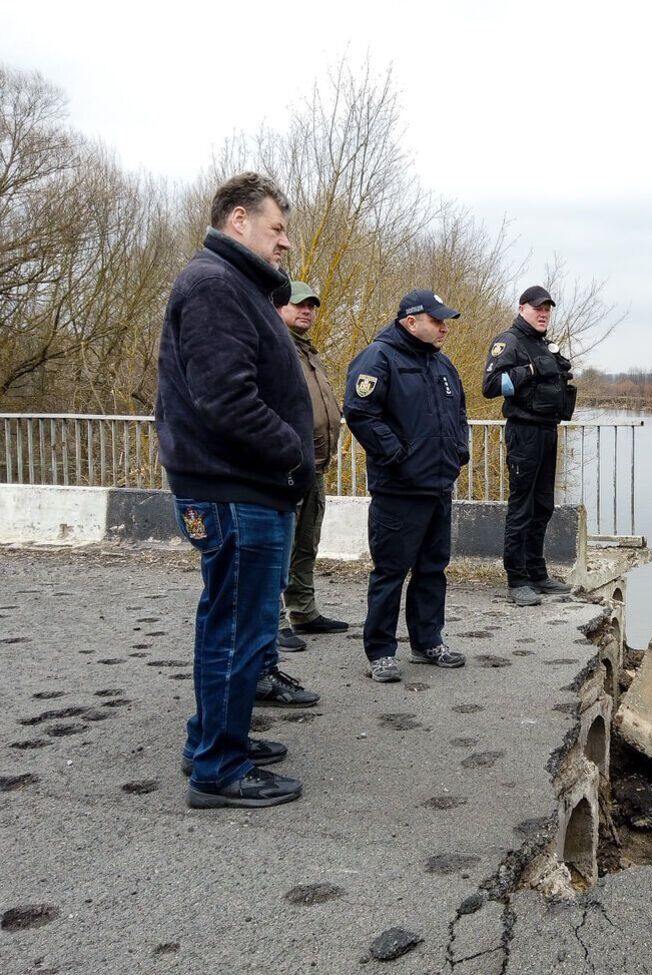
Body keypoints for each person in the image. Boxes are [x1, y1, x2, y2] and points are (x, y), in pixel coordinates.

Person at [156, 172, 314, 809]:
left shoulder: (231, 286)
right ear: (239, 220)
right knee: (238, 629)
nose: (284, 244)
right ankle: (220, 768)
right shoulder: (216, 285)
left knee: (228, 620)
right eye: (276, 229)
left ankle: (212, 740)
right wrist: (294, 456)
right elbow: (226, 400)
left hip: (240, 487)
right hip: (235, 490)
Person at [344, 289, 472, 683]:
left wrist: (459, 452)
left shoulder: (442, 364)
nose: (444, 328)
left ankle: (427, 641)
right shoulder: (379, 358)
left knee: (433, 568)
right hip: (399, 489)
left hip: (438, 485)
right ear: (411, 321)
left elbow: (459, 412)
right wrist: (397, 456)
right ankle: (381, 650)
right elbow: (360, 413)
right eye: (437, 321)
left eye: (445, 321)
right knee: (391, 571)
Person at [482, 285, 577, 606]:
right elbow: (491, 386)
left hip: (547, 430)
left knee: (543, 506)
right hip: (524, 432)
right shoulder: (509, 341)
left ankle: (537, 572)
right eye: (538, 308)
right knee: (522, 507)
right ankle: (517, 579)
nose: (544, 313)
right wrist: (529, 371)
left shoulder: (542, 344)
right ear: (522, 308)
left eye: (548, 308)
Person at [274, 281, 348, 653]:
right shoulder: (276, 347)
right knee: (279, 546)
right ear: (279, 307)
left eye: (312, 306)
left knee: (306, 543)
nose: (307, 311)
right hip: (286, 466)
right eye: (299, 305)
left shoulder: (307, 351)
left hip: (314, 467)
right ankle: (271, 621)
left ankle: (302, 610)